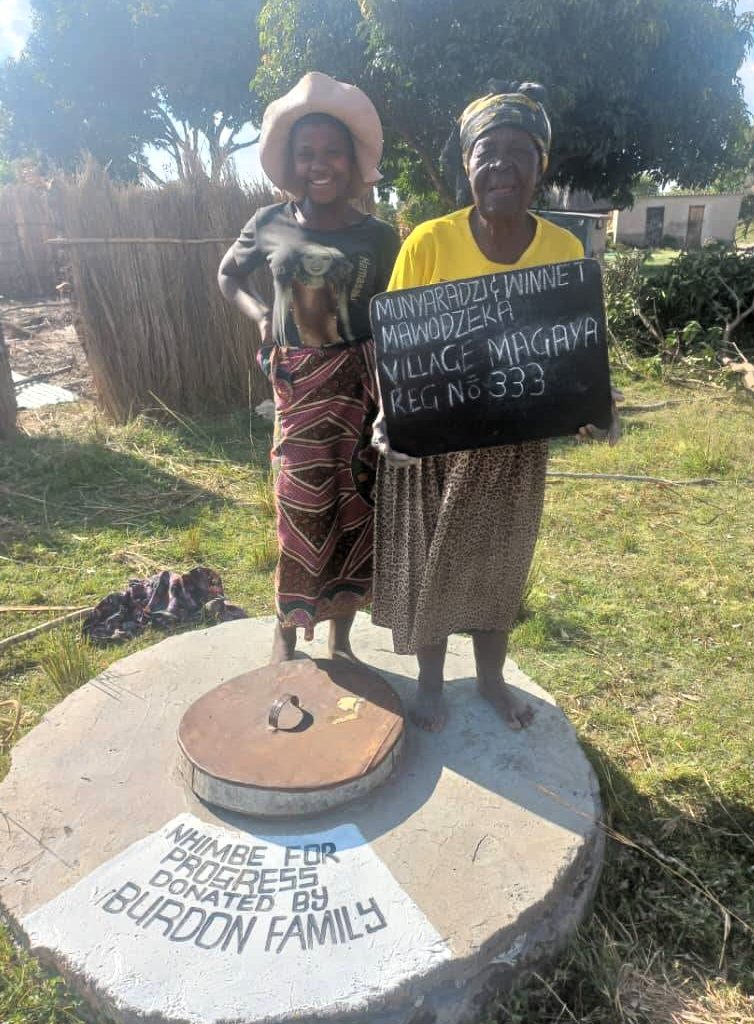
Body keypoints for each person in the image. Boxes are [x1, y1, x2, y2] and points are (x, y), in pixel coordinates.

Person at [371, 82, 620, 731]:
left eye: (519, 152)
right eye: (488, 151)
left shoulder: (564, 252)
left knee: (498, 566)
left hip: (514, 450)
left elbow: (576, 353)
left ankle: (488, 680)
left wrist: (595, 408)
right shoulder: (429, 242)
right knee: (432, 563)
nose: (501, 165)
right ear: (467, 164)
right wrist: (387, 416)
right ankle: (430, 683)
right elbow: (396, 346)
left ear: (541, 167)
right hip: (433, 447)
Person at [218, 72, 400, 663]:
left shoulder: (379, 237)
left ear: (350, 161)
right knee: (298, 508)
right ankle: (287, 632)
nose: (319, 164)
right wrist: (258, 316)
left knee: (354, 512)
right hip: (297, 390)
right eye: (306, 154)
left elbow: (398, 311)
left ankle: (343, 640)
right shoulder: (269, 222)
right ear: (292, 163)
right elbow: (227, 275)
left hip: (359, 392)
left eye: (332, 153)